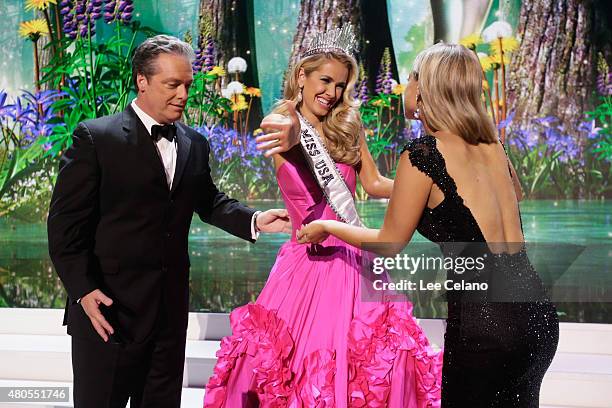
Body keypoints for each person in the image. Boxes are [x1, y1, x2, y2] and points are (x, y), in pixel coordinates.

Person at [298, 42, 560, 407]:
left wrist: (328, 227)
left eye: (410, 78)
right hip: (537, 318)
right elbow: (490, 197)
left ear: (424, 88)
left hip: (486, 320)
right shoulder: (492, 146)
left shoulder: (423, 155)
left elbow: (389, 242)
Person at [47, 34, 293, 408]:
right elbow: (64, 226)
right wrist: (82, 290)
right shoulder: (96, 138)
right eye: (172, 84)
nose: (182, 94)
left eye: (187, 85)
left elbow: (208, 201)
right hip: (107, 312)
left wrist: (255, 219)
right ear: (142, 81)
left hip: (168, 313)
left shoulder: (194, 142)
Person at [204, 26, 442, 408]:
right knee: (301, 369)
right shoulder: (281, 122)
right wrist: (296, 131)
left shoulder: (348, 123)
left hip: (355, 255)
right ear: (302, 75)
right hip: (307, 263)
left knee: (371, 364)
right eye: (325, 80)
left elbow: (376, 182)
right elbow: (285, 131)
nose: (332, 93)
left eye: (340, 85)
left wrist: (431, 187)